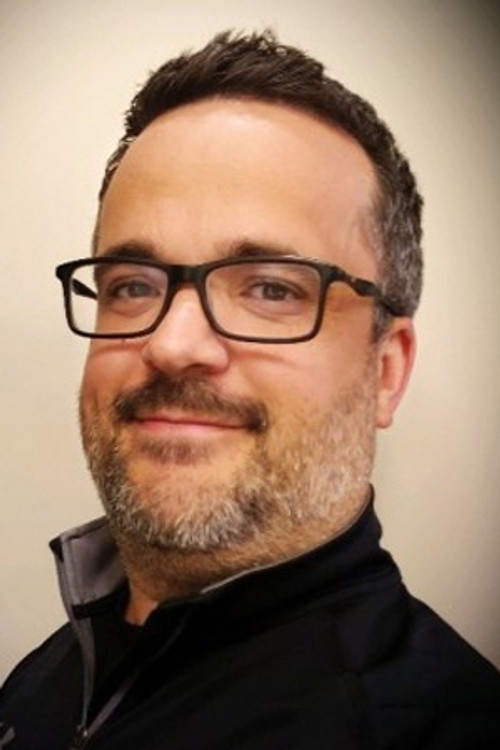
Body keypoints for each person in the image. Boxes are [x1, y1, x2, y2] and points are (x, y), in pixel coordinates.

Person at [1, 29, 499, 750]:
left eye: (271, 288)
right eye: (133, 285)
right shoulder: (46, 677)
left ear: (387, 371)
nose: (172, 345)